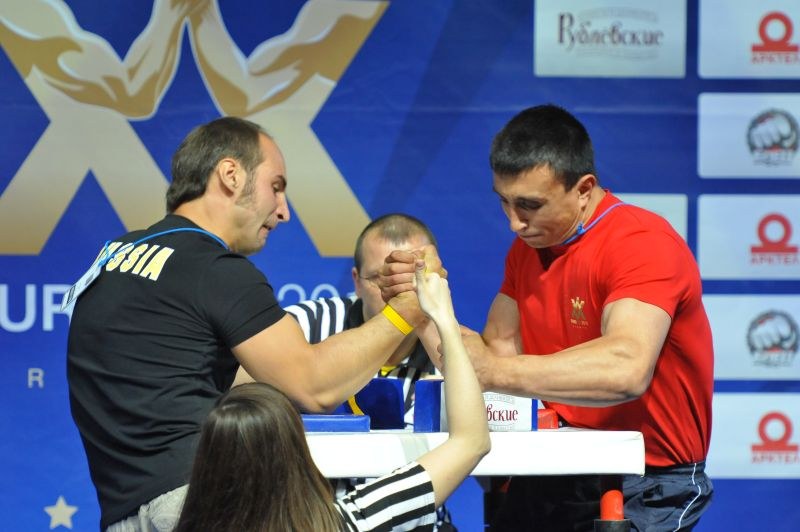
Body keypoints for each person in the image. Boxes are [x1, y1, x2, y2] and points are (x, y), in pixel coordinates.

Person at [66, 116, 438, 531]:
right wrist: (406, 310)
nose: (283, 212)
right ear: (230, 174)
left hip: (124, 513)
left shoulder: (118, 255)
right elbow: (313, 387)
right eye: (275, 186)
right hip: (199, 505)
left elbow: (185, 376)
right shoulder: (213, 269)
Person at [379, 104, 714, 531]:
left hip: (648, 479)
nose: (514, 223)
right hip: (562, 462)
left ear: (584, 188)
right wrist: (425, 306)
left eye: (530, 205)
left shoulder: (641, 241)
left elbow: (626, 369)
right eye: (504, 202)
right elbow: (487, 358)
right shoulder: (529, 249)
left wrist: (491, 370)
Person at [173, 260, 491, 532]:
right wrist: (443, 319)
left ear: (205, 464)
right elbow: (470, 442)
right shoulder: (350, 521)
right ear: (295, 454)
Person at [284, 213, 439, 426]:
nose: (397, 291)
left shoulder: (451, 353)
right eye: (380, 278)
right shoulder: (304, 325)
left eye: (410, 278)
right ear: (357, 282)